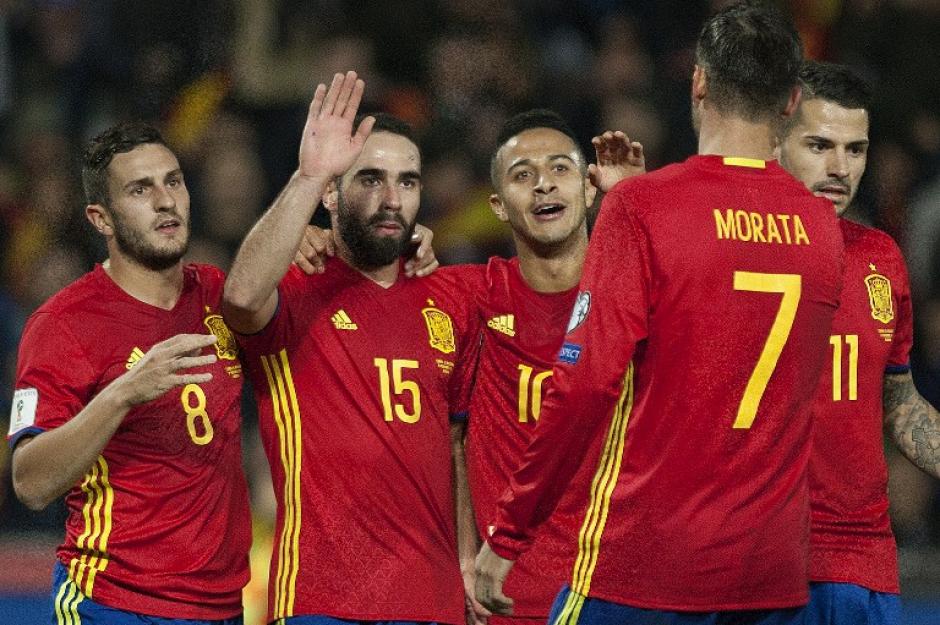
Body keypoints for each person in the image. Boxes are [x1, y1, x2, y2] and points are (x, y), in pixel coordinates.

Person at [476, 2, 845, 623]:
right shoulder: (823, 227)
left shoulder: (645, 207)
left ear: (698, 81)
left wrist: (510, 533)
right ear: (791, 102)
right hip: (771, 574)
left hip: (646, 567)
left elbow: (585, 384)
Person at [222, 72, 480, 625]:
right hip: (322, 600)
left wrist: (465, 559)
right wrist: (309, 174)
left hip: (433, 603)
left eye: (408, 182)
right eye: (371, 179)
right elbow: (239, 298)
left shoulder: (454, 297)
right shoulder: (293, 290)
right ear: (332, 194)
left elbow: (457, 440)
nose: (392, 199)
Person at [8, 122, 251, 624]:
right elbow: (29, 482)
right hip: (114, 603)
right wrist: (122, 394)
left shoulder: (219, 294)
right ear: (102, 218)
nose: (166, 201)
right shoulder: (62, 323)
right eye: (141, 190)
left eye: (174, 181)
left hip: (222, 607)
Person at [463, 109, 643, 625]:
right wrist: (313, 239)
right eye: (523, 175)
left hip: (621, 593)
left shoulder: (644, 298)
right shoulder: (471, 297)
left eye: (560, 169)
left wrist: (636, 206)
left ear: (590, 188)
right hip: (508, 597)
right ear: (497, 205)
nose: (544, 184)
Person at [777, 60, 940, 625]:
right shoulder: (726, 248)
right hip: (757, 560)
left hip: (863, 563)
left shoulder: (881, 258)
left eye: (855, 150)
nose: (839, 168)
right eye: (819, 145)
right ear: (776, 140)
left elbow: (899, 403)